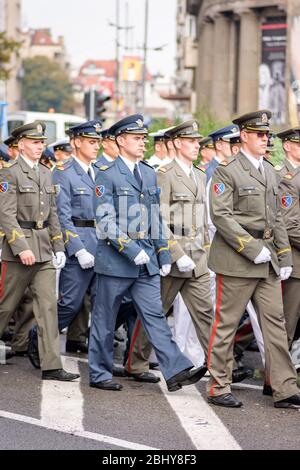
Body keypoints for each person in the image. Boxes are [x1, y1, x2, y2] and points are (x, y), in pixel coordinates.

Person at [89, 114, 206, 391]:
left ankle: (175, 370)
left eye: (143, 138)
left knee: (154, 316)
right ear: (120, 140)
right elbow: (105, 221)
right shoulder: (106, 175)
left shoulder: (148, 172)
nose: (142, 144)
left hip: (146, 262)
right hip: (116, 261)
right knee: (105, 319)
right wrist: (130, 250)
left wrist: (164, 255)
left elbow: (155, 216)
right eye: (136, 138)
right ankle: (99, 373)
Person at [207, 110, 300, 409]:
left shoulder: (270, 171)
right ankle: (219, 385)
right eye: (260, 134)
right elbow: (221, 216)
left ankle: (283, 387)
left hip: (268, 259)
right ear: (244, 136)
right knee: (226, 325)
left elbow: (278, 219)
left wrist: (283, 255)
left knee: (275, 324)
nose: (265, 139)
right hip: (237, 259)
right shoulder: (227, 170)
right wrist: (250, 247)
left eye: (267, 134)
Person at [0, 121, 79, 381]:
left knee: (47, 307)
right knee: (6, 306)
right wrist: (20, 247)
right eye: (34, 142)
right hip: (18, 251)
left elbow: (53, 213)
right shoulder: (9, 173)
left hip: (44, 249)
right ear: (20, 145)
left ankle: (51, 365)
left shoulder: (46, 173)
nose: (39, 147)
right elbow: (6, 215)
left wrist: (58, 246)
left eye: (42, 143)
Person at [276, 127, 300, 347]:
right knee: (287, 323)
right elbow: (288, 223)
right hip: (294, 260)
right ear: (287, 146)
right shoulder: (285, 177)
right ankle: (274, 378)